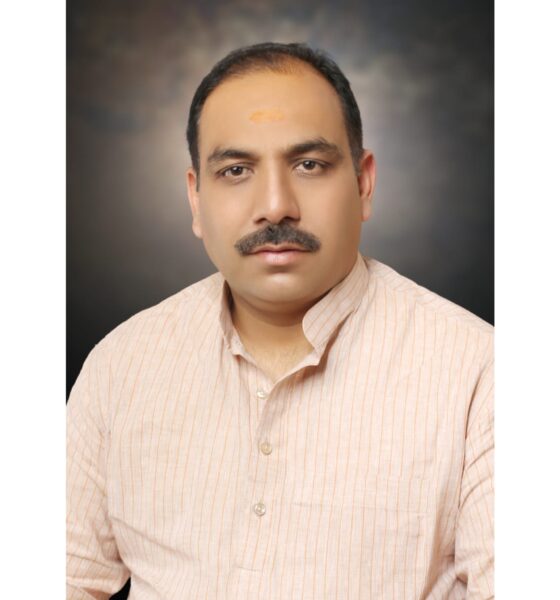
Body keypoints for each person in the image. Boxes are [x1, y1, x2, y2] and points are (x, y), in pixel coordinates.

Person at [67, 42, 493, 599]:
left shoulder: (478, 372)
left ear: (363, 183)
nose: (275, 205)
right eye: (236, 170)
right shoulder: (121, 365)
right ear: (195, 198)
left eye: (308, 165)